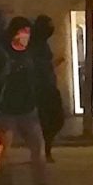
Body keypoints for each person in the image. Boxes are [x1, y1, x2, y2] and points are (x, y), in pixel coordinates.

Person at [0, 14, 59, 185]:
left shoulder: (31, 54)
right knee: (4, 152)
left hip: (28, 110)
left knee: (38, 149)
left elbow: (40, 76)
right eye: (23, 31)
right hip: (6, 110)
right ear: (15, 33)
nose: (26, 35)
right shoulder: (2, 55)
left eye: (28, 32)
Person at [28, 15, 65, 153]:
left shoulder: (42, 43)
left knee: (54, 119)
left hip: (48, 86)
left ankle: (44, 147)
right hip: (41, 88)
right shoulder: (35, 45)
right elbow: (38, 65)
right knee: (48, 120)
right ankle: (43, 149)